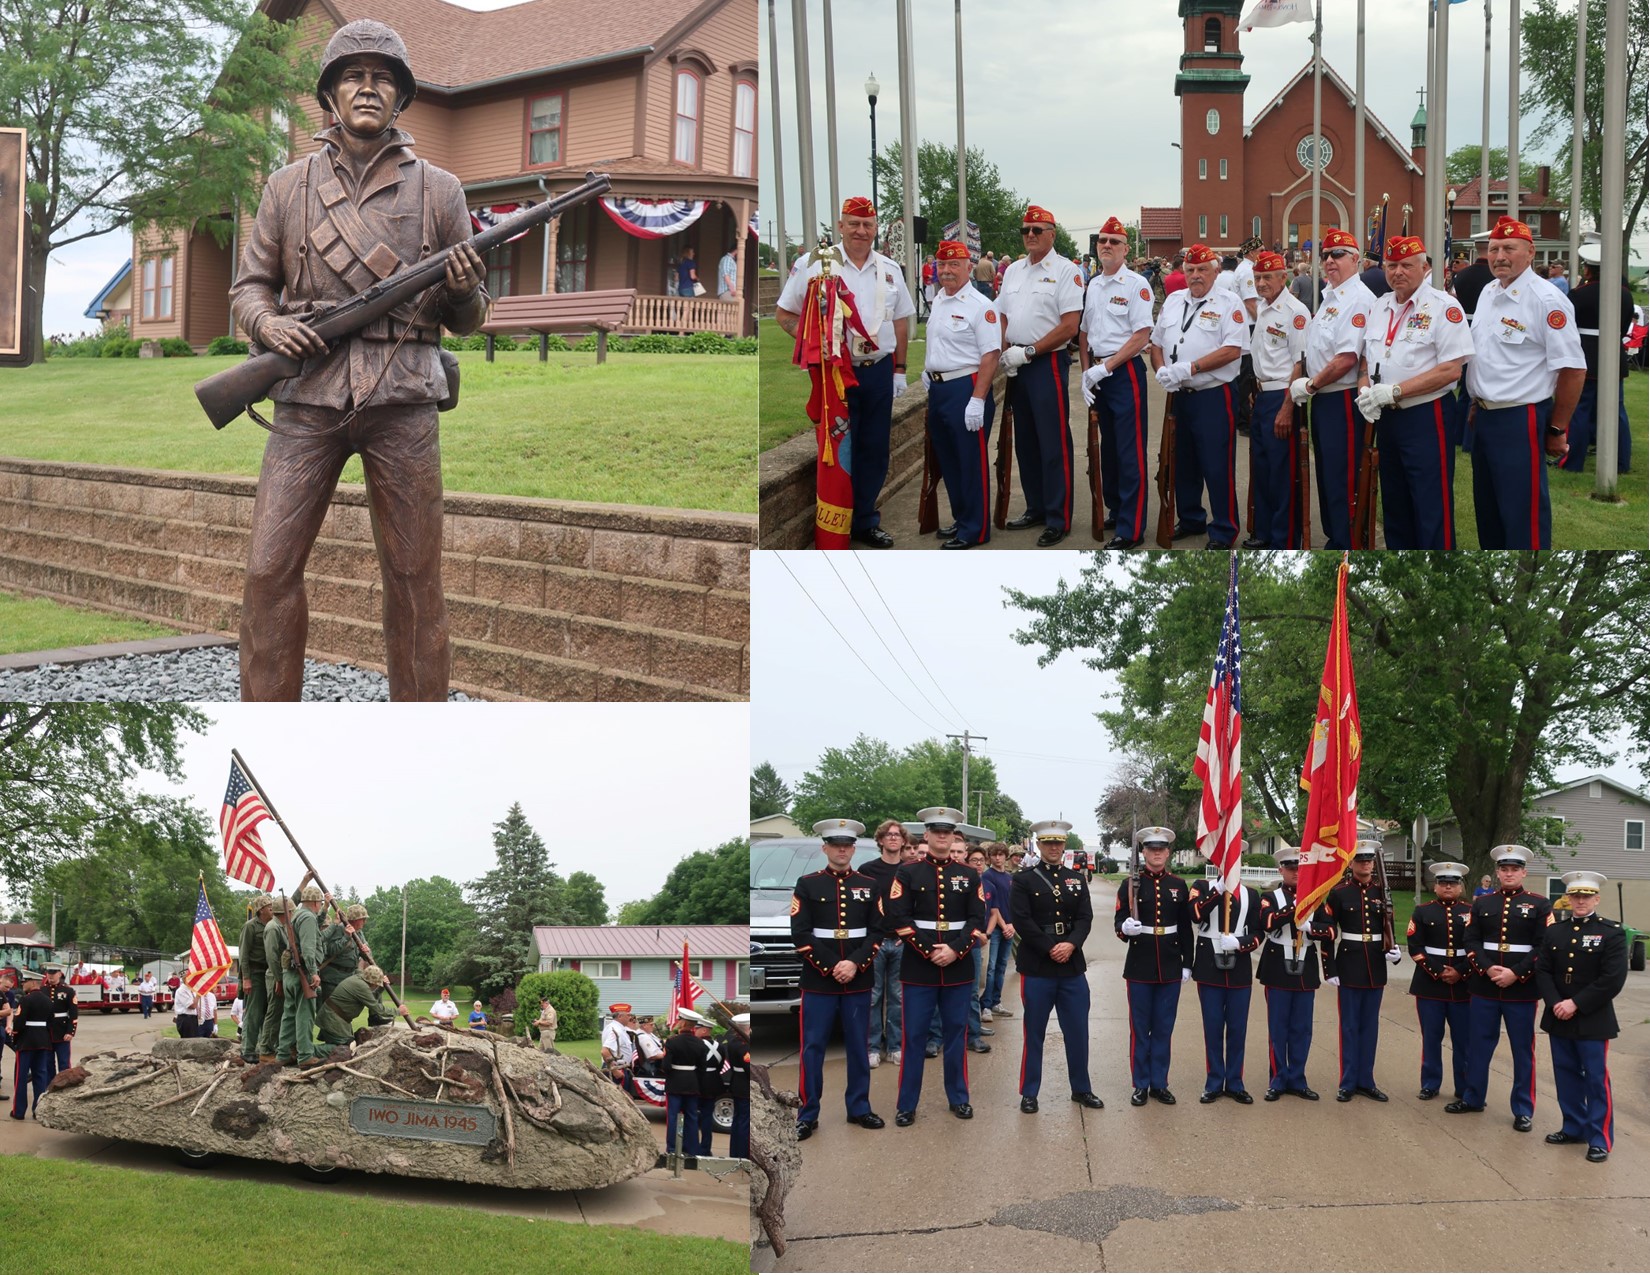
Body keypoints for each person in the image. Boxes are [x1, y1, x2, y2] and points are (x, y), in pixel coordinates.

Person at [228, 20, 488, 700]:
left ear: (399, 97)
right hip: (306, 395)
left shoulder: (441, 190)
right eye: (353, 75)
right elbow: (251, 284)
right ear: (330, 95)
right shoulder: (287, 188)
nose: (367, 88)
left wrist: (461, 290)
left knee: (414, 580)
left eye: (381, 78)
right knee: (266, 571)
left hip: (403, 398)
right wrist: (268, 324)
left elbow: (470, 317)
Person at [773, 196, 915, 548]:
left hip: (879, 371)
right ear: (840, 226)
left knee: (875, 449)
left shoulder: (890, 268)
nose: (861, 231)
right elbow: (785, 315)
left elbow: (900, 321)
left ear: (876, 228)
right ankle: (837, 525)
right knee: (839, 450)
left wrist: (899, 369)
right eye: (853, 223)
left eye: (867, 225)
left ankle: (865, 522)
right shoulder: (815, 265)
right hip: (836, 374)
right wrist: (813, 340)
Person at [1462, 216, 1586, 549]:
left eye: (1509, 248)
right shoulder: (1489, 292)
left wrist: (1557, 430)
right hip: (1485, 416)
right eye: (1494, 249)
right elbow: (1487, 354)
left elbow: (1573, 369)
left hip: (1520, 418)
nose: (1500, 256)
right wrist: (1477, 402)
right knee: (1488, 513)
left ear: (1530, 253)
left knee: (1522, 517)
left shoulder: (1546, 300)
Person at [1354, 234, 1475, 549]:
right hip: (1387, 418)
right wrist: (1364, 387)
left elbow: (1451, 369)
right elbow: (1368, 357)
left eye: (1406, 265)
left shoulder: (1444, 307)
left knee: (1430, 502)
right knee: (1394, 502)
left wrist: (1394, 390)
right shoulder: (1380, 306)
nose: (1398, 272)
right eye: (1391, 265)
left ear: (1425, 268)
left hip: (1426, 415)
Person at [883, 806, 985, 1125]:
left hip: (958, 967)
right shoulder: (908, 872)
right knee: (914, 1037)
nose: (942, 836)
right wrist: (930, 950)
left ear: (954, 836)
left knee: (956, 1034)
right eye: (936, 831)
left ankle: (959, 1098)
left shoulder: (968, 875)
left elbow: (976, 918)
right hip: (919, 967)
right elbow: (899, 917)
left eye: (947, 832)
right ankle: (906, 1104)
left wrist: (955, 950)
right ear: (926, 834)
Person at [1150, 243, 1250, 549]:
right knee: (1183, 462)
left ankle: (1223, 528)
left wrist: (1190, 367)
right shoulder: (1174, 301)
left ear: (1216, 271)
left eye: (1202, 269)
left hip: (1213, 395)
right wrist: (1161, 371)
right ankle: (1191, 518)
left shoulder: (1229, 302)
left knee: (1216, 464)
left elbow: (1233, 349)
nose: (1196, 276)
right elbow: (1156, 343)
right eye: (1190, 270)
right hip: (1179, 394)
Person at [997, 205, 1085, 547]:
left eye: (1037, 230)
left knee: (1053, 441)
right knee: (1026, 441)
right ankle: (1035, 506)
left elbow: (1069, 325)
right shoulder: (1014, 271)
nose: (1030, 235)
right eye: (1025, 230)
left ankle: (1057, 516)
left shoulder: (1066, 271)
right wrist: (1006, 349)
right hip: (1016, 363)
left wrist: (1030, 350)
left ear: (1052, 233)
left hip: (1045, 362)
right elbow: (1003, 313)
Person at [791, 817, 884, 1140]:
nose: (841, 850)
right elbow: (800, 934)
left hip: (858, 979)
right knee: (812, 1048)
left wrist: (855, 964)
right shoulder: (807, 884)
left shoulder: (870, 885)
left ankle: (859, 1107)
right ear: (825, 848)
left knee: (859, 1046)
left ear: (853, 849)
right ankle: (807, 1113)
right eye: (835, 845)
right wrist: (833, 966)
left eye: (847, 845)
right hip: (819, 980)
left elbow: (877, 931)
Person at [1448, 844, 1553, 1130]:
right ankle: (1473, 1098)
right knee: (1478, 1046)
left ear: (1524, 872)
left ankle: (1523, 1110)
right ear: (1496, 872)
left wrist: (1516, 973)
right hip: (1485, 986)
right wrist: (1487, 968)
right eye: (1504, 869)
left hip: (1521, 989)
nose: (1509, 873)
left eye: (1514, 869)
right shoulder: (1482, 904)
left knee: (1522, 1050)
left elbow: (1544, 947)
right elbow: (1470, 941)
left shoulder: (1541, 904)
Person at [1011, 820, 1103, 1115]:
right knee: (1034, 1031)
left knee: (1078, 1031)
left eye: (1058, 843)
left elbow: (1085, 918)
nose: (1053, 848)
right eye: (1048, 843)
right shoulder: (1024, 879)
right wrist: (1050, 946)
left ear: (1064, 846)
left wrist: (1071, 944)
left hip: (1071, 966)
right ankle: (1029, 1092)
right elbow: (1022, 919)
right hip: (1038, 964)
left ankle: (1081, 1088)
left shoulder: (1077, 878)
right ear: (1038, 845)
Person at [1293, 227, 1376, 550]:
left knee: (1343, 475)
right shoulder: (1331, 296)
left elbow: (1346, 359)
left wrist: (1311, 384)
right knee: (1327, 471)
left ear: (1355, 259)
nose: (1329, 261)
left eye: (1337, 255)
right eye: (1325, 255)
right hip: (1324, 398)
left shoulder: (1357, 299)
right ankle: (1335, 535)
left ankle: (1347, 539)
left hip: (1341, 396)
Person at [1535, 871, 1626, 1163]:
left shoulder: (1612, 933)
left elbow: (1612, 979)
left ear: (1596, 898)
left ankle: (1599, 1138)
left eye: (1586, 896)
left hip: (1592, 1018)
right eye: (1576, 896)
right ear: (1568, 898)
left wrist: (1575, 1003)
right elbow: (1544, 971)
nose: (1581, 901)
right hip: (1559, 1015)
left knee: (1596, 1080)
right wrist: (1555, 1003)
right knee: (1566, 1075)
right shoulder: (1554, 932)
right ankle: (1573, 1127)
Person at [1079, 216, 1156, 550]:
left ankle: (1131, 526)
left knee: (1129, 451)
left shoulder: (1136, 285)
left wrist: (1105, 367)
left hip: (1123, 373)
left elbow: (1141, 336)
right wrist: (1086, 372)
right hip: (1097, 373)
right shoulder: (1094, 284)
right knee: (1107, 449)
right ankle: (1116, 509)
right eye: (1102, 241)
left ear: (1126, 249)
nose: (1106, 246)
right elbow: (1083, 332)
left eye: (1114, 241)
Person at [921, 239, 1002, 549]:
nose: (947, 270)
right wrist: (929, 372)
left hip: (966, 388)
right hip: (939, 389)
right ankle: (962, 517)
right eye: (942, 265)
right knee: (949, 461)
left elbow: (991, 355)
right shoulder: (939, 299)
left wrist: (978, 399)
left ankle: (975, 530)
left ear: (969, 266)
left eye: (954, 264)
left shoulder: (981, 306)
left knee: (970, 462)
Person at [1115, 827, 1194, 1106]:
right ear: (1143, 853)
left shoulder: (1178, 884)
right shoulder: (1129, 885)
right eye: (1151, 848)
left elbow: (1185, 928)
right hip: (1139, 964)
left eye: (1161, 848)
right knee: (1140, 1028)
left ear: (1168, 852)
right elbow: (1119, 921)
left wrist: (1188, 963)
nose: (1157, 853)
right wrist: (1125, 928)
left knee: (1163, 1028)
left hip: (1170, 964)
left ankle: (1160, 1083)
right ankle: (1140, 1083)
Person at [1319, 841, 1401, 1101]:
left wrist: (1394, 950)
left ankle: (1367, 1080)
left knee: (1370, 1027)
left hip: (1375, 966)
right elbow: (1328, 933)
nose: (1365, 864)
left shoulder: (1382, 892)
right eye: (1360, 860)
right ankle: (1348, 1081)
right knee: (1350, 1027)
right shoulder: (1340, 893)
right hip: (1349, 964)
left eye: (1369, 860)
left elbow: (1388, 925)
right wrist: (1329, 968)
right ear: (1351, 863)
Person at [1246, 250, 1312, 549]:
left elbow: (1299, 364)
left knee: (1282, 473)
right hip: (1262, 395)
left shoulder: (1295, 312)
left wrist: (1287, 407)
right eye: (1258, 277)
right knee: (1262, 469)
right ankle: (1264, 531)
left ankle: (1284, 539)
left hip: (1281, 397)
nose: (1261, 283)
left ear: (1283, 278)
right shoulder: (1263, 308)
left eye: (1267, 277)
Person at [1256, 846, 1330, 1100]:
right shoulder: (1270, 896)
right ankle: (1277, 1079)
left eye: (1300, 868)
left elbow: (1330, 931)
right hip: (1278, 964)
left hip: (1305, 965)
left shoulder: (1317, 897)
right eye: (1290, 868)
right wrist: (1294, 909)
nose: (1296, 873)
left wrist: (1310, 927)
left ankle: (1297, 1079)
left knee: (1301, 1028)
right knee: (1278, 1028)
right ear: (1281, 870)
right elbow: (1267, 922)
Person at [1188, 864, 1264, 1104]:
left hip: (1239, 967)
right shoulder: (1202, 887)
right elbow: (1195, 914)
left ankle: (1235, 1082)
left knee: (1237, 1029)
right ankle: (1213, 1082)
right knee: (1212, 1028)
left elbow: (1259, 931)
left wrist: (1241, 943)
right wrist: (1218, 890)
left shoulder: (1251, 894)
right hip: (1209, 967)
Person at [1562, 243, 1634, 475]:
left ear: (1588, 270)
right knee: (1617, 410)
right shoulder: (1624, 293)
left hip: (1586, 355)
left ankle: (1573, 461)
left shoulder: (1579, 293)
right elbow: (1624, 328)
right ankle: (1621, 462)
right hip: (1612, 355)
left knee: (1580, 410)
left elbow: (1568, 327)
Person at [1406, 861, 1473, 1101]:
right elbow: (1415, 946)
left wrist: (1461, 972)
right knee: (1431, 1038)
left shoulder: (1472, 911)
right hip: (1430, 985)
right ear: (1435, 887)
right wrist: (1438, 971)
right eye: (1443, 883)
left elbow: (1477, 947)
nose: (1447, 887)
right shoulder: (1423, 911)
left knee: (1464, 1041)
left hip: (1464, 986)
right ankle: (1430, 1083)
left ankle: (1464, 1087)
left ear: (1460, 887)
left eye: (1452, 883)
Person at [858, 819, 907, 1069]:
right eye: (888, 834)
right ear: (880, 840)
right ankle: (872, 1048)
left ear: (903, 840)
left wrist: (906, 935)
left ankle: (896, 1046)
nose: (893, 838)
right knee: (873, 997)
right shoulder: (867, 870)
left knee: (898, 997)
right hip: (875, 942)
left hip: (901, 942)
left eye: (897, 834)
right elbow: (859, 908)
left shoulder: (910, 869)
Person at [279, 884, 327, 1067]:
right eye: (320, 903)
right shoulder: (307, 917)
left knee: (289, 1015)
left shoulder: (296, 915)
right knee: (305, 1016)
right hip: (303, 974)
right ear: (315, 902)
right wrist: (314, 973)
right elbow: (308, 949)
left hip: (290, 974)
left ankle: (283, 1054)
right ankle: (306, 1055)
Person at [980, 843, 1017, 1022]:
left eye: (1001, 855)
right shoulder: (987, 876)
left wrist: (1013, 926)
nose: (998, 858)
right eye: (994, 855)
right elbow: (994, 906)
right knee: (990, 967)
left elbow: (1015, 903)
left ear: (1006, 857)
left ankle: (996, 1001)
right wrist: (1004, 926)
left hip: (1009, 927)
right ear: (990, 857)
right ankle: (985, 1005)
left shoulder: (1009, 877)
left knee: (1002, 966)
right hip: (995, 928)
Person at [315, 965, 396, 1046]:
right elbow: (378, 1009)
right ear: (372, 982)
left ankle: (312, 1053)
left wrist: (381, 988)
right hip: (333, 1020)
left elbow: (371, 998)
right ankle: (310, 1052)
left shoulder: (359, 979)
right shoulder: (361, 986)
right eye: (377, 984)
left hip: (336, 1019)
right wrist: (399, 1011)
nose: (377, 986)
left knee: (342, 1048)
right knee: (346, 1049)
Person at [9, 971, 52, 1120]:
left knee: (20, 1077)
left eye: (25, 982)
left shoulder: (26, 1000)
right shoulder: (48, 1000)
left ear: (33, 982)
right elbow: (50, 1023)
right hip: (43, 1042)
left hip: (26, 1042)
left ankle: (18, 1112)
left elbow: (18, 1023)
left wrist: (15, 1037)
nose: (23, 984)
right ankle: (38, 1110)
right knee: (40, 1076)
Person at [661, 1011, 705, 1155]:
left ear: (684, 1023)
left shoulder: (672, 1041)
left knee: (673, 1116)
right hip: (692, 1082)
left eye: (680, 1020)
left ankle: (672, 1149)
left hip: (675, 1083)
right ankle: (692, 1149)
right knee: (692, 1117)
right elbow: (702, 1067)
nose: (678, 1022)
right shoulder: (700, 1042)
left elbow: (666, 1066)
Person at [237, 894, 273, 1064]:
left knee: (267, 1014)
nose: (272, 908)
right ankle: (248, 1049)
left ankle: (263, 1048)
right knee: (253, 1013)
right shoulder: (250, 927)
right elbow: (243, 954)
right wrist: (246, 978)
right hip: (255, 973)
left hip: (268, 974)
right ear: (261, 910)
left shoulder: (273, 925)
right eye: (269, 906)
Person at [259, 895, 292, 1063]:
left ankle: (275, 1046)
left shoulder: (279, 926)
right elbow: (272, 956)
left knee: (279, 1014)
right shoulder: (273, 928)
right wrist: (279, 979)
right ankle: (265, 1049)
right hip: (275, 976)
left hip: (279, 975)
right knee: (273, 1013)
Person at [693, 1014, 725, 1155]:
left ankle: (693, 1147)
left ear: (704, 1030)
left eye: (697, 1028)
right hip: (713, 1082)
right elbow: (721, 1065)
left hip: (698, 1082)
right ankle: (706, 1148)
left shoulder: (696, 1044)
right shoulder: (720, 1046)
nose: (694, 1030)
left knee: (693, 1116)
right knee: (707, 1118)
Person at [44, 966, 77, 1074]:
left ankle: (65, 1087)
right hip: (46, 1030)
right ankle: (49, 1086)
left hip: (62, 1030)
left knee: (64, 1063)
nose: (51, 976)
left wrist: (70, 1031)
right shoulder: (42, 990)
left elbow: (73, 1013)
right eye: (49, 973)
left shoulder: (68, 990)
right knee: (48, 1063)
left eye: (53, 974)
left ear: (59, 974)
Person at [727, 1012, 751, 1160]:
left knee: (737, 1120)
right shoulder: (744, 1047)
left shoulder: (734, 1042)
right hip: (744, 1085)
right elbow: (749, 1069)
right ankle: (742, 1154)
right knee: (743, 1122)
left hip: (736, 1083)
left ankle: (735, 1152)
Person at [600, 1003, 638, 1079]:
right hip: (616, 1069)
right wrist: (615, 1071)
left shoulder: (618, 1028)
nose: (630, 1017)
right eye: (628, 1015)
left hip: (620, 1067)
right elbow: (605, 1051)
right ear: (620, 1016)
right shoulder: (616, 1030)